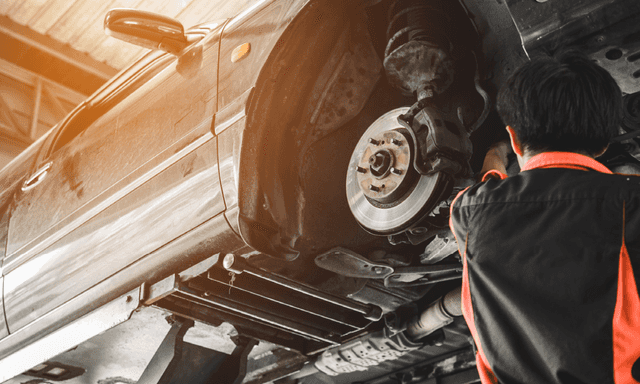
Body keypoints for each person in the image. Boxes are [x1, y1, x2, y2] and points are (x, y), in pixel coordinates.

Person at [449, 51, 640, 384]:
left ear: (515, 138)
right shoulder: (631, 202)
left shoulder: (467, 212)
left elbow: (487, 181)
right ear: (604, 143)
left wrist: (495, 154)